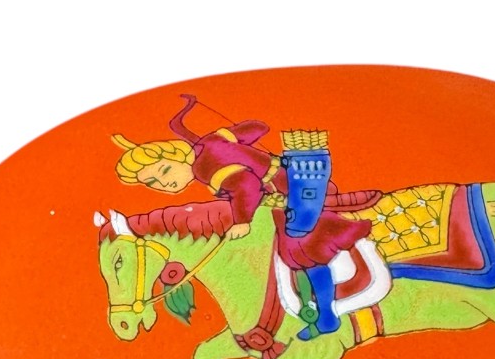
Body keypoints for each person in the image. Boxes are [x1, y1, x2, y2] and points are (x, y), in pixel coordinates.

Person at [111, 95, 373, 336]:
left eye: (165, 171)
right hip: (289, 182)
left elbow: (246, 187)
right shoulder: (211, 145)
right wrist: (233, 144)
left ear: (177, 155)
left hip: (293, 193)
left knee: (299, 249)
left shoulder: (206, 169)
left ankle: (327, 317)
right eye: (153, 183)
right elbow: (257, 127)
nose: (164, 184)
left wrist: (242, 221)